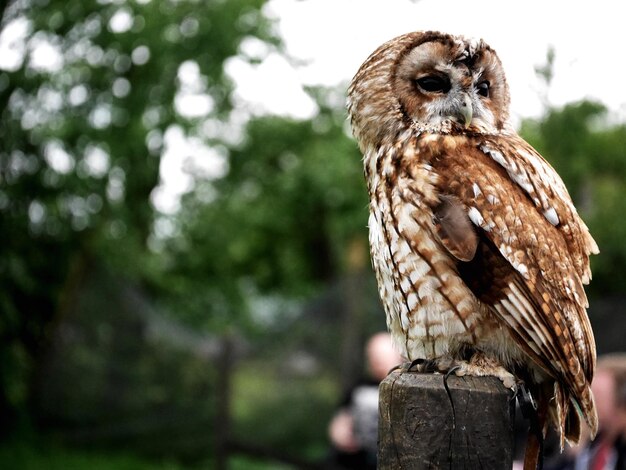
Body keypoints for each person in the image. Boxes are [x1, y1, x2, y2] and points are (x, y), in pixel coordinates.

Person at [326, 332, 402, 469]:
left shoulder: (408, 391)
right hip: (351, 459)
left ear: (399, 356)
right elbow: (341, 416)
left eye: (381, 356)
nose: (375, 361)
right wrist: (340, 433)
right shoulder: (359, 386)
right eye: (372, 356)